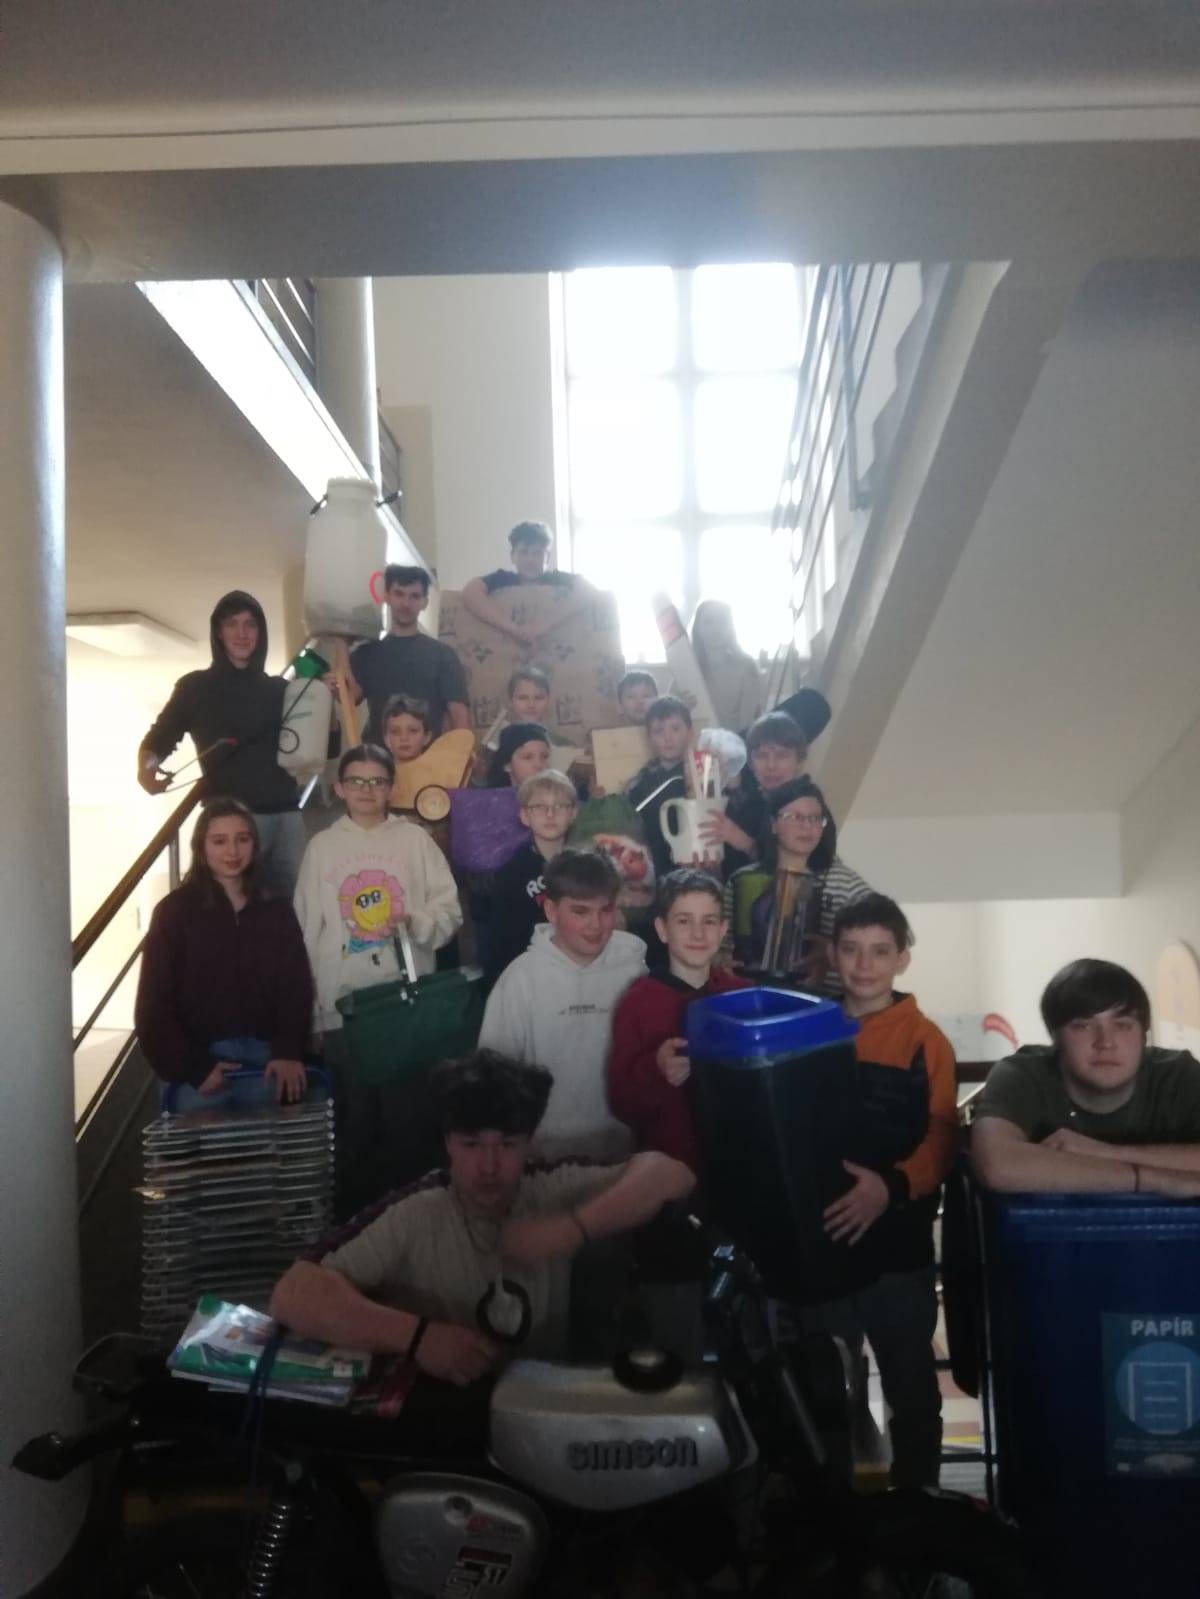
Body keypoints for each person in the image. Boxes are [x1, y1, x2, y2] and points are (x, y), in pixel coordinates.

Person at [269, 1051, 695, 1379]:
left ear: (529, 1143)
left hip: (541, 1403)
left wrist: (572, 1228)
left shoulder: (549, 1186)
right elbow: (292, 1294)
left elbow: (671, 1173)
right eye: (472, 1145)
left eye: (507, 1145)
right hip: (446, 1417)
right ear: (448, 1143)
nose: (490, 1167)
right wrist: (418, 1337)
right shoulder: (416, 1210)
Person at [791, 893, 958, 1490]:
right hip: (824, 1244)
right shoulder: (807, 1032)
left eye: (879, 952)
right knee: (823, 1391)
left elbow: (942, 1138)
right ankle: (834, 1518)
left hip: (899, 1248)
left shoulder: (926, 1041)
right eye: (852, 950)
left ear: (902, 959)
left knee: (912, 1390)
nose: (864, 965)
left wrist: (890, 1188)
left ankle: (919, 1512)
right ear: (834, 955)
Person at [135, 798, 312, 1109]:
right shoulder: (174, 912)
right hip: (197, 1068)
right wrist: (193, 1067)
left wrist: (288, 1050)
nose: (232, 851)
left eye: (242, 839)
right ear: (201, 847)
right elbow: (153, 1003)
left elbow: (295, 986)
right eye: (219, 841)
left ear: (255, 844)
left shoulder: (277, 908)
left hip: (267, 1061)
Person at [971, 959, 1200, 1197]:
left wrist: (1104, 1153)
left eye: (1122, 1025)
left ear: (1144, 1034)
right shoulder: (1021, 1074)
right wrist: (1151, 1179)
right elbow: (996, 1165)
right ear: (1055, 1037)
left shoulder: (1179, 1075)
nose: (1106, 1043)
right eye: (1082, 1026)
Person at [480, 849, 647, 1162]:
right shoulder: (519, 979)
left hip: (624, 1153)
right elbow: (494, 1079)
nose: (595, 925)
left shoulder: (636, 973)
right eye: (580, 911)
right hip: (543, 1156)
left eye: (605, 910)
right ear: (551, 911)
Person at [137, 591, 306, 898]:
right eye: (232, 624)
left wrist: (326, 703)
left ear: (260, 632)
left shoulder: (281, 690)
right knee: (231, 911)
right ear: (218, 632)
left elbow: (320, 748)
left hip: (287, 819)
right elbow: (160, 737)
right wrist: (146, 767)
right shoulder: (195, 687)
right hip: (231, 825)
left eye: (250, 625)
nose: (242, 634)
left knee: (290, 914)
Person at [294, 744, 462, 1036]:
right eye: (355, 781)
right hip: (342, 998)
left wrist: (414, 922)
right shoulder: (321, 847)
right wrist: (312, 1012)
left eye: (377, 781)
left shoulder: (415, 840)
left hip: (408, 991)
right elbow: (306, 926)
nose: (366, 789)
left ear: (392, 788)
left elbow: (449, 910)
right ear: (339, 788)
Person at [609, 869, 751, 1172]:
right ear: (662, 929)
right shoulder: (637, 1003)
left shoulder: (743, 995)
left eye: (708, 922)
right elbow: (621, 1103)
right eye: (684, 921)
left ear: (723, 929)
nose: (698, 934)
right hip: (670, 1168)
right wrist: (655, 1069)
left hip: (739, 1163)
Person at [724, 776, 871, 994]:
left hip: (824, 1000)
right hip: (751, 997)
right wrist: (721, 958)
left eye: (815, 818)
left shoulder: (843, 882)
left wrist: (833, 950)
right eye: (794, 817)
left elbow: (897, 937)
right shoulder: (743, 880)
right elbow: (722, 942)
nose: (806, 826)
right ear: (773, 823)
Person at [343, 566, 470, 745]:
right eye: (399, 594)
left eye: (414, 596)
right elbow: (349, 697)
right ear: (386, 596)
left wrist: (460, 755)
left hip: (428, 758)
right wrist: (340, 648)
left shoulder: (443, 655)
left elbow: (458, 714)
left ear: (425, 602)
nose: (406, 604)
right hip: (377, 757)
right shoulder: (366, 654)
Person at [484, 769, 578, 992]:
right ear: (524, 816)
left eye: (560, 806)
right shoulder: (512, 872)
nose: (550, 814)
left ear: (573, 813)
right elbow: (501, 938)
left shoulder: (586, 866)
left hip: (577, 968)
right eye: (539, 806)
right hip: (531, 975)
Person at [705, 709, 812, 874]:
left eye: (782, 756)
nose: (771, 765)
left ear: (799, 760)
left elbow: (793, 867)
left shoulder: (808, 806)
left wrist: (743, 842)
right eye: (761, 756)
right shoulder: (747, 803)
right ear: (750, 762)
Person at [460, 521, 596, 647]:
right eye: (523, 552)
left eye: (537, 553)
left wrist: (543, 625)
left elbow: (588, 591)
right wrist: (514, 629)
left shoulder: (557, 579)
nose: (530, 560)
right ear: (512, 556)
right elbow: (470, 592)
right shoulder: (502, 579)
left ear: (547, 557)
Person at [625, 696, 693, 885]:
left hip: (691, 874)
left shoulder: (701, 777)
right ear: (649, 738)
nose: (668, 737)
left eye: (675, 729)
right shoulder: (638, 784)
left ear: (690, 732)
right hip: (649, 876)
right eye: (658, 731)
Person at [688, 600, 763, 734]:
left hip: (734, 743)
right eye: (708, 621)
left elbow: (748, 726)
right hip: (695, 743)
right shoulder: (687, 669)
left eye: (722, 621)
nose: (715, 628)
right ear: (697, 628)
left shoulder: (747, 667)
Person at [485, 721, 551, 787]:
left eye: (544, 757)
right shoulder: (489, 793)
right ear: (507, 765)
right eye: (528, 757)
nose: (539, 765)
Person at [381, 693, 435, 767]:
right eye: (395, 732)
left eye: (413, 730)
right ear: (386, 739)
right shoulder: (377, 773)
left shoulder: (441, 772)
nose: (404, 738)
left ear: (427, 737)